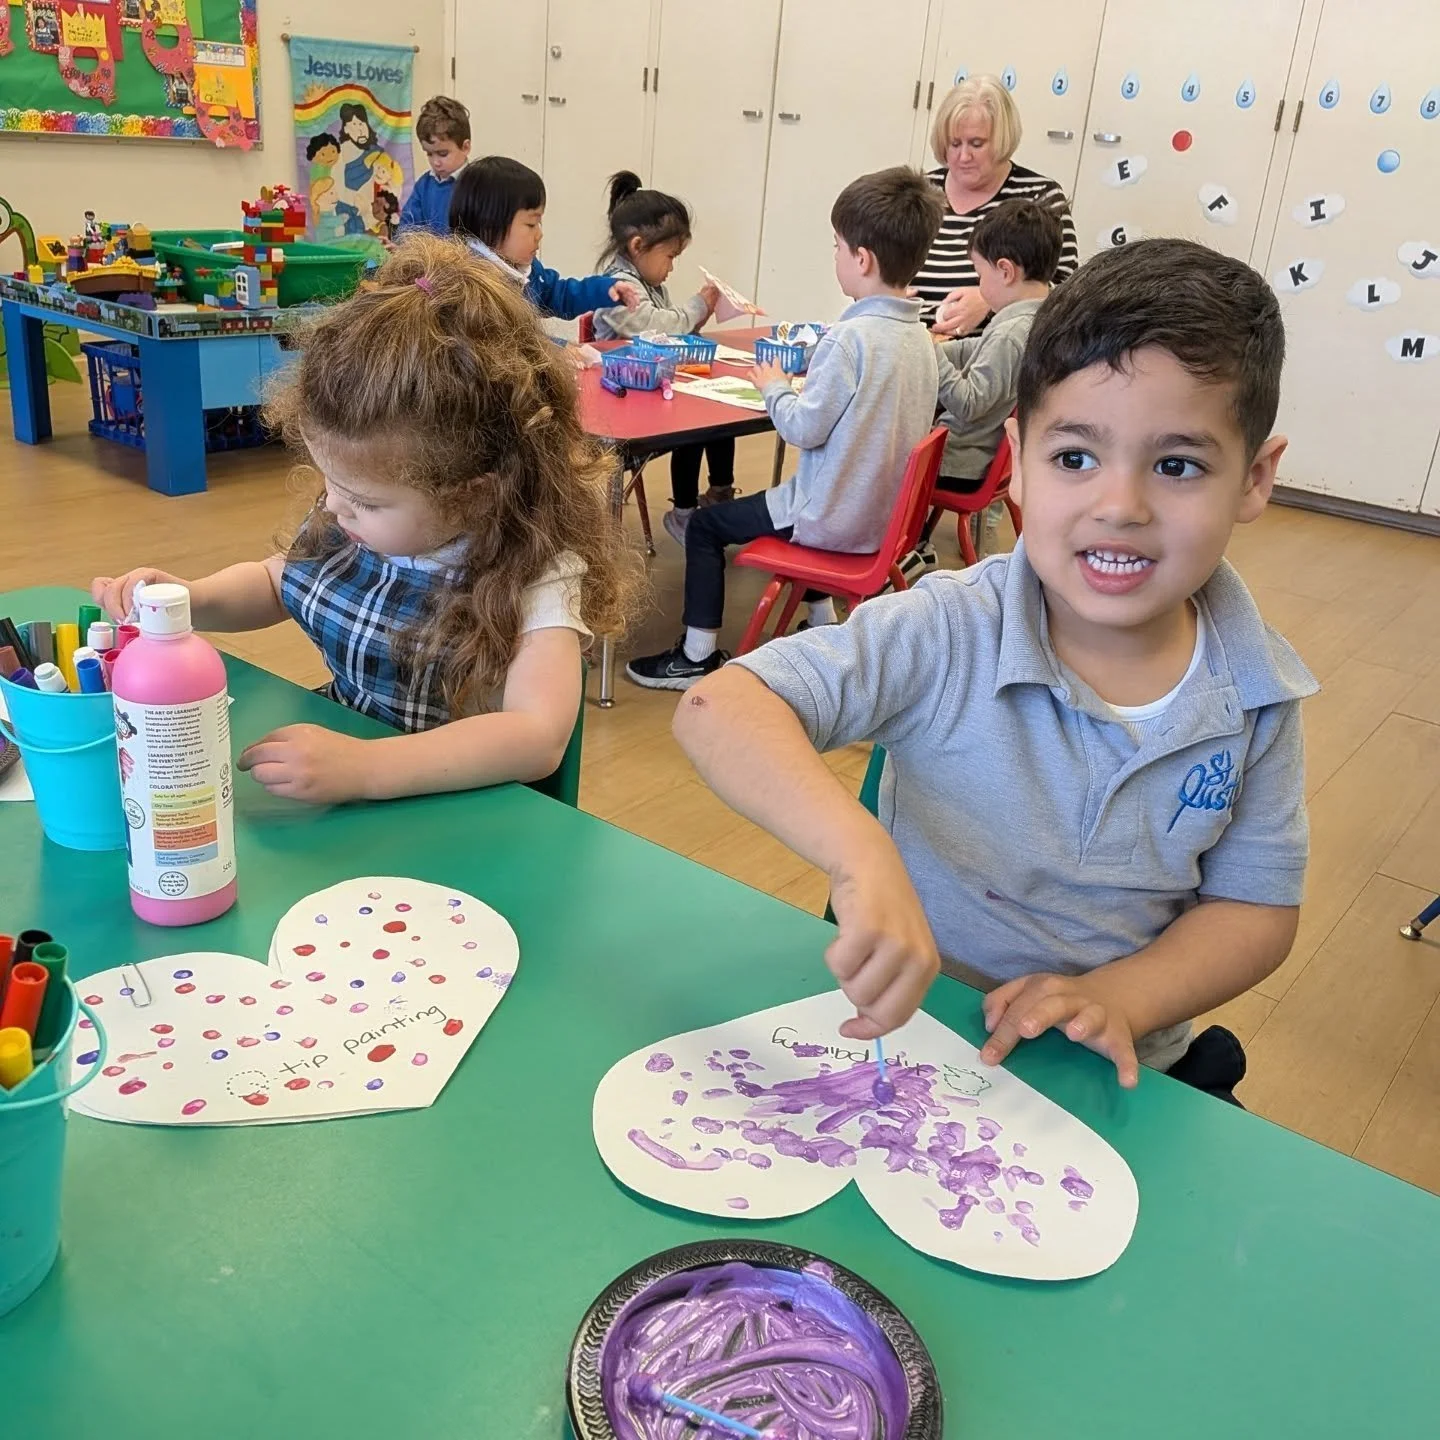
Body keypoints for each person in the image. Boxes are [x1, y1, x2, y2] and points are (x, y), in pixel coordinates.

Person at [674, 238, 1317, 1109]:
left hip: (1116, 1069)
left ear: (1255, 477)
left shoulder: (1259, 694)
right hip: (913, 1041)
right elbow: (719, 704)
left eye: (1177, 466)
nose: (1119, 507)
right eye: (1075, 458)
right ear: (1017, 457)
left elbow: (1256, 912)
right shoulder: (952, 625)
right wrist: (860, 858)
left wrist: (1122, 998)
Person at [91, 235, 638, 806]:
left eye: (365, 501)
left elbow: (536, 735)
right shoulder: (354, 512)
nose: (331, 506)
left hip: (455, 813)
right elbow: (279, 582)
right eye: (330, 483)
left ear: (473, 496)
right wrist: (188, 600)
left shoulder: (541, 574)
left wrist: (368, 767)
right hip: (347, 776)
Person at [626, 167, 943, 691]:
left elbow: (801, 428)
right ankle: (824, 625)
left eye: (838, 246)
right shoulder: (918, 338)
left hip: (830, 517)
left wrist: (774, 386)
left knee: (705, 528)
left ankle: (696, 654)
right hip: (881, 520)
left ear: (861, 259)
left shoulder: (851, 339)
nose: (836, 256)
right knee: (775, 503)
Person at [912, 197, 1062, 571]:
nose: (979, 284)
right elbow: (975, 350)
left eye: (980, 274)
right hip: (996, 460)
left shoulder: (1012, 332)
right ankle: (914, 540)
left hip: (962, 462)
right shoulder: (1041, 317)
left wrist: (929, 356)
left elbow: (968, 402)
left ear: (1006, 271)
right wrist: (930, 345)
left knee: (883, 458)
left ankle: (905, 551)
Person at [591, 170, 732, 541]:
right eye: (670, 256)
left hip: (654, 397)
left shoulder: (652, 285)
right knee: (693, 426)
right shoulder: (616, 288)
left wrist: (692, 328)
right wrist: (695, 308)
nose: (671, 267)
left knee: (716, 416)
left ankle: (719, 495)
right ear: (638, 246)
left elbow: (667, 334)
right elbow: (653, 327)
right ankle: (683, 512)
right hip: (624, 408)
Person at [911, 74, 1079, 338]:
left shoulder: (1039, 198)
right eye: (955, 144)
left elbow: (1069, 296)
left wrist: (991, 301)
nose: (963, 156)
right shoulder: (918, 192)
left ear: (1002, 140)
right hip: (914, 349)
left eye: (976, 144)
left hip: (997, 357)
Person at [449, 156, 642, 321]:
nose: (539, 234)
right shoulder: (469, 283)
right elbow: (510, 343)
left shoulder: (527, 272)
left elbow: (561, 295)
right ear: (490, 225)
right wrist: (559, 348)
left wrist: (604, 289)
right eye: (531, 224)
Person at [399, 95, 471, 237]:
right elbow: (408, 226)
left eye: (443, 154)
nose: (435, 162)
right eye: (429, 154)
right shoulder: (424, 185)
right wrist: (402, 245)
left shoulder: (477, 186)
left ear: (465, 147)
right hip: (428, 258)